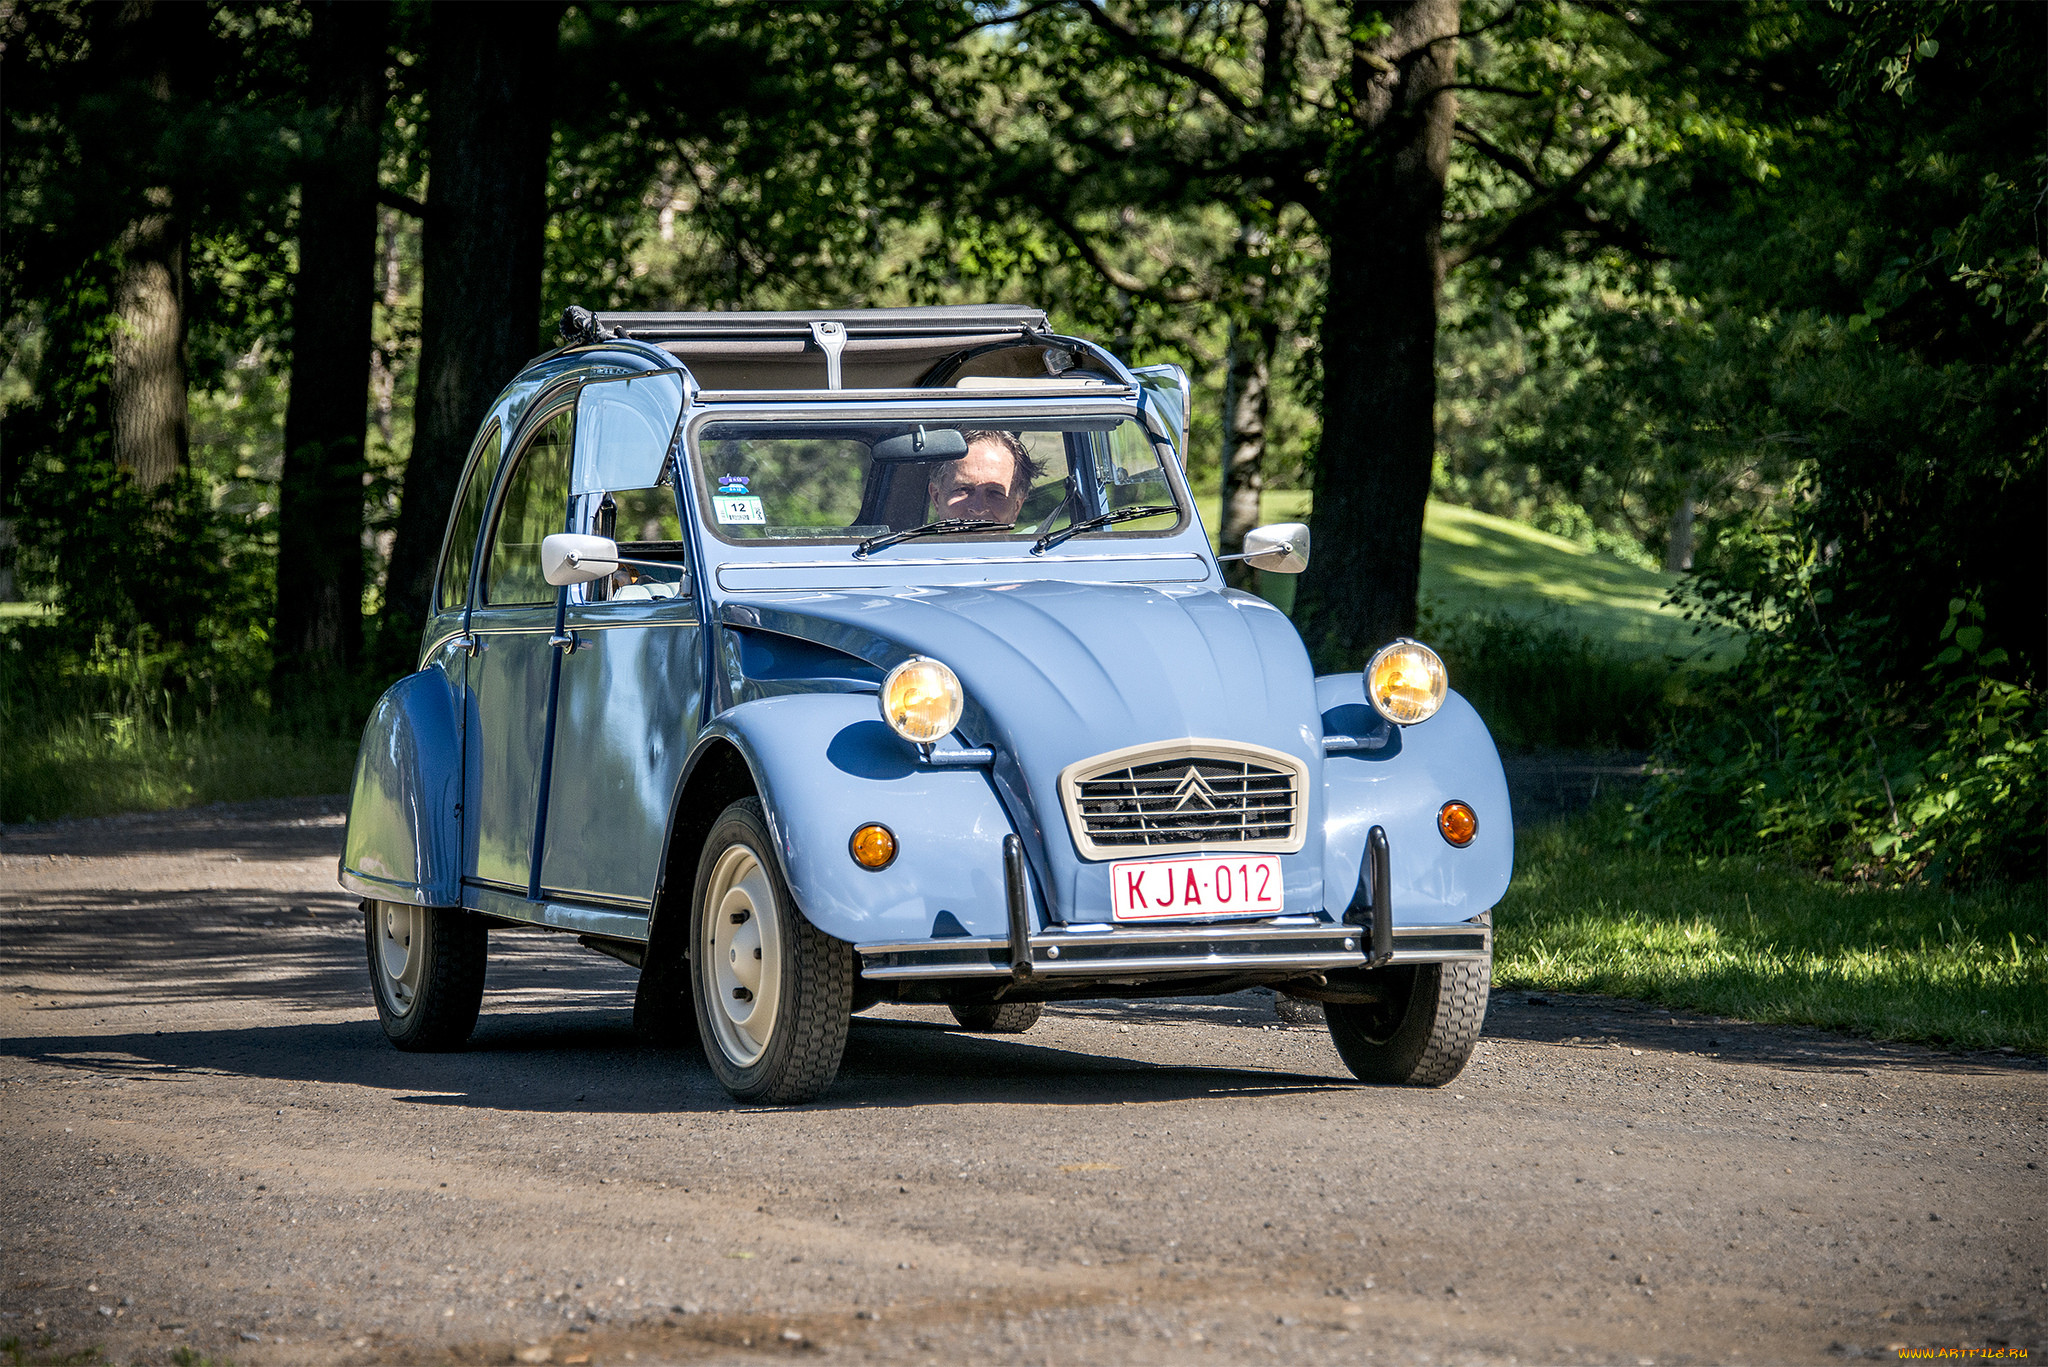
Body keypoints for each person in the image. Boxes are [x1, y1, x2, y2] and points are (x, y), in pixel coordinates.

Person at [928, 429, 1044, 525]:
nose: (979, 509)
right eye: (963, 490)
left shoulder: (1045, 552)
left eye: (995, 492)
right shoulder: (912, 551)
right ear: (936, 497)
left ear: (1017, 506)